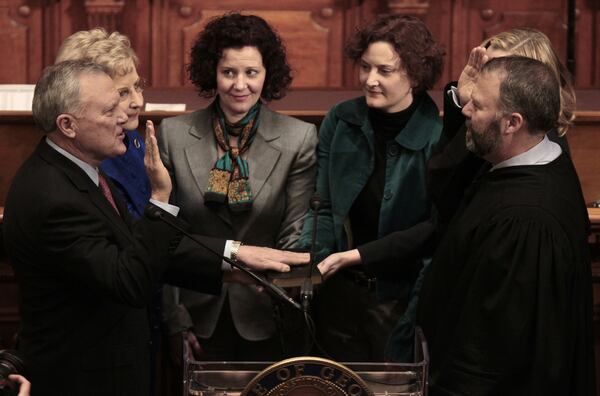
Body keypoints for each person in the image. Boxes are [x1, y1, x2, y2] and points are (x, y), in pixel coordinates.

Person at [2, 60, 307, 394]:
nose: (124, 116)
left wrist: (232, 256)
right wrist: (160, 197)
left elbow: (136, 246)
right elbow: (129, 278)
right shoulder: (51, 195)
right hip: (84, 378)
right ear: (68, 125)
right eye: (109, 109)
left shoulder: (79, 170)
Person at [417, 56, 595, 395]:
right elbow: (447, 195)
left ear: (512, 123)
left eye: (478, 105)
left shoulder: (525, 222)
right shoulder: (528, 161)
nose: (466, 109)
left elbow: (491, 351)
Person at [158, 13, 317, 361]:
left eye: (251, 73)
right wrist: (174, 319)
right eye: (228, 72)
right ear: (212, 73)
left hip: (269, 312)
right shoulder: (171, 134)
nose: (239, 84)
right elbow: (162, 237)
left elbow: (294, 236)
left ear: (267, 74)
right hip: (194, 312)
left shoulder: (299, 138)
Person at [296, 14, 443, 361]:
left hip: (400, 300)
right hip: (339, 295)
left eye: (385, 71)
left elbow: (432, 230)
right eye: (365, 67)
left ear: (416, 75)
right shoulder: (341, 119)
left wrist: (357, 257)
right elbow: (325, 206)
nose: (370, 80)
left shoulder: (437, 136)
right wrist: (307, 261)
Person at [429, 28, 575, 229]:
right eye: (485, 67)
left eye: (498, 68)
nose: (486, 77)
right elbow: (443, 191)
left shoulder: (538, 148)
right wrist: (469, 105)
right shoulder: (489, 125)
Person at [55, 28, 149, 218]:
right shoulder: (88, 158)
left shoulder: (132, 137)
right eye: (122, 93)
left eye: (137, 86)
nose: (138, 102)